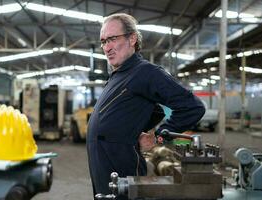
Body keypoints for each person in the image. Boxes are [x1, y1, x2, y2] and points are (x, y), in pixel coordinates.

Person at [86, 13, 205, 199]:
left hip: (122, 170)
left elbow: (192, 106)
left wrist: (158, 137)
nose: (106, 47)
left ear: (132, 38)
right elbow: (154, 110)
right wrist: (134, 128)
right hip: (104, 169)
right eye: (103, 42)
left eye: (112, 39)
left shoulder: (145, 72)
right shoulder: (117, 76)